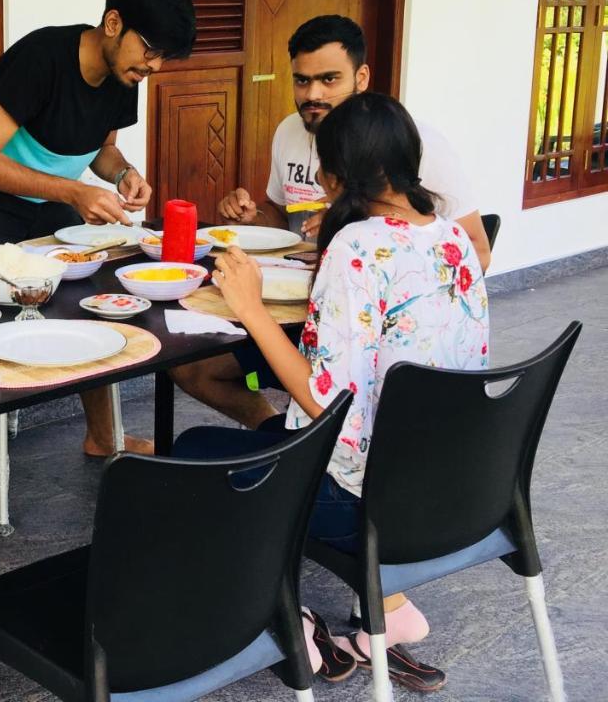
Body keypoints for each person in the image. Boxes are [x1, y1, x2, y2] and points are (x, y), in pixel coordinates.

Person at [173, 93, 489, 692]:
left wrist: (248, 306)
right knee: (265, 441)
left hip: (372, 505)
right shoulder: (453, 240)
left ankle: (286, 621)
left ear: (340, 175)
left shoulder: (358, 249)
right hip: (449, 489)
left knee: (193, 457)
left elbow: (325, 405)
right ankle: (387, 615)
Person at [0, 0, 198, 573]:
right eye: (149, 51)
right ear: (113, 23)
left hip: (41, 197)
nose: (153, 68)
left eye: (163, 59)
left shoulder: (124, 74)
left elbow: (99, 148)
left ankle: (103, 435)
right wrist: (74, 194)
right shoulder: (43, 56)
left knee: (93, 292)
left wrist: (122, 171)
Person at [173, 14, 491, 429]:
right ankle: (280, 441)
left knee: (193, 447)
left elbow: (332, 403)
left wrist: (254, 306)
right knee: (193, 366)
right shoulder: (291, 134)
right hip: (413, 420)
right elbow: (280, 216)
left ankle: (293, 459)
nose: (313, 94)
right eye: (302, 81)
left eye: (329, 79)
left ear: (361, 77)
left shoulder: (406, 151)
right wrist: (256, 219)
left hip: (355, 388)